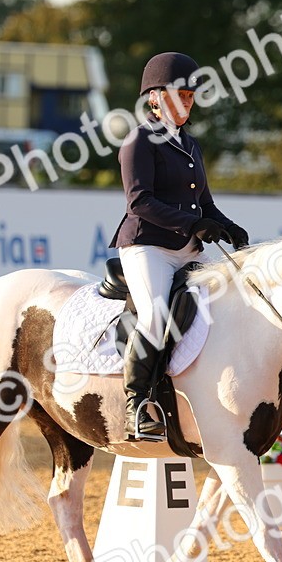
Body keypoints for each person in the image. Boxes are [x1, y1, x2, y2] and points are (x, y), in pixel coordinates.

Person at [109, 51, 250, 442]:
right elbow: (140, 201)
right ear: (154, 97)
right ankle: (136, 404)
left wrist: (226, 225)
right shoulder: (140, 140)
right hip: (147, 247)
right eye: (177, 95)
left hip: (187, 249)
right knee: (155, 316)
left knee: (225, 305)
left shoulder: (190, 144)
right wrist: (193, 224)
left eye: (189, 97)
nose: (185, 103)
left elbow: (204, 202)